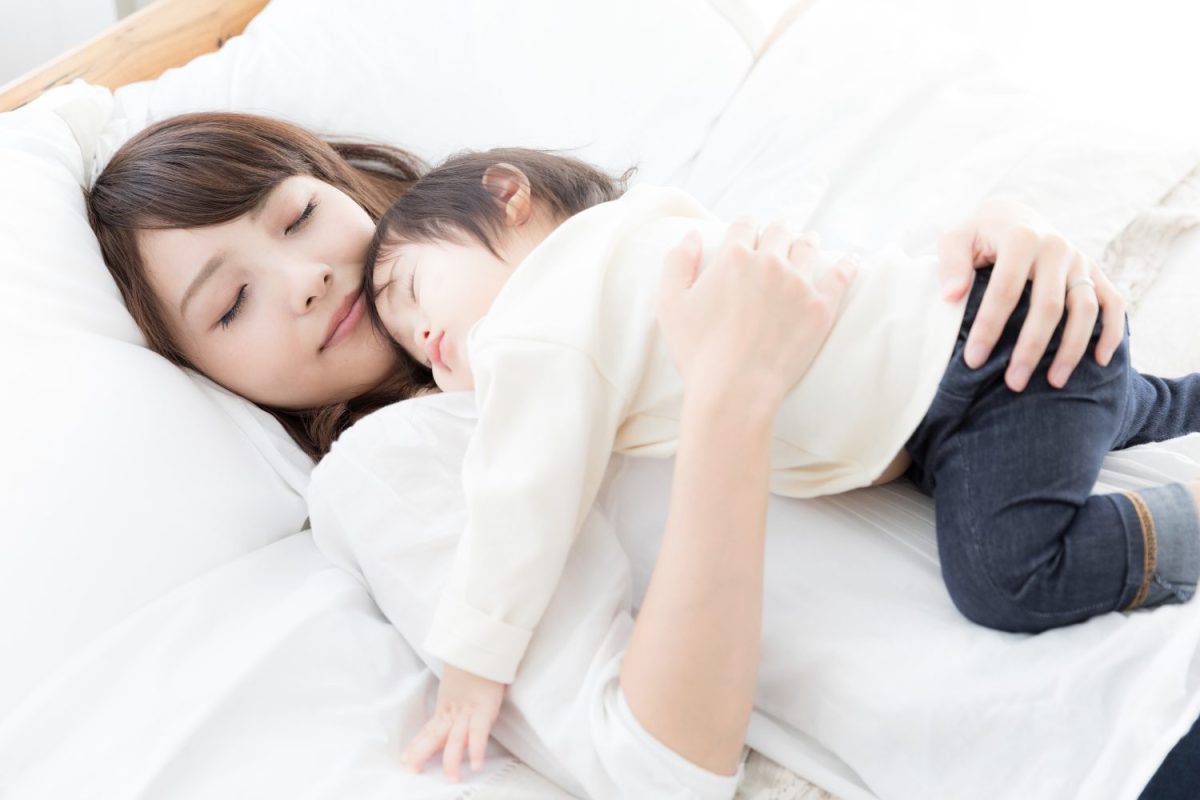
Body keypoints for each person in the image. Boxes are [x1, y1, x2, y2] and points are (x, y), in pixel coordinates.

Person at [87, 112, 1192, 795]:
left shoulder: (564, 260)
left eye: (295, 219)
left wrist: (998, 239)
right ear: (205, 378)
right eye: (231, 305)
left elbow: (855, 322)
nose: (307, 280)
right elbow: (654, 767)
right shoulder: (394, 467)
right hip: (1095, 742)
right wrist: (729, 396)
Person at [357, 145, 1200, 770]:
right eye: (413, 351)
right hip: (961, 373)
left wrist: (472, 667)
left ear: (507, 195)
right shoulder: (651, 235)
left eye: (412, 293)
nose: (429, 346)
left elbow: (521, 497)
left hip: (969, 377)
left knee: (1006, 572)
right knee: (1114, 405)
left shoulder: (537, 320)